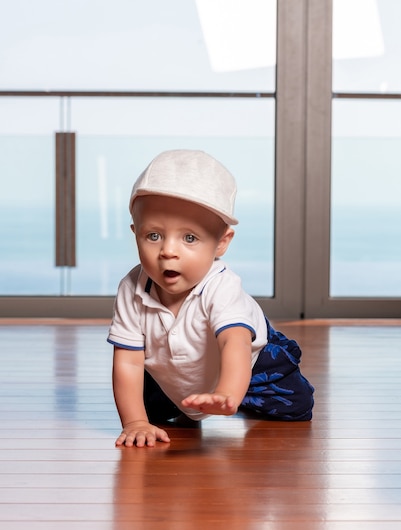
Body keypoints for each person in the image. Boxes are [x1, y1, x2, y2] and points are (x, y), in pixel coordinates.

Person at [107, 149, 314, 447]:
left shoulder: (221, 286)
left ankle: (236, 395)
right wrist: (135, 422)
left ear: (221, 243)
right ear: (135, 232)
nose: (168, 251)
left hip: (250, 362)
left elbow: (234, 343)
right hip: (173, 371)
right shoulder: (131, 289)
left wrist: (228, 393)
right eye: (153, 236)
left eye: (189, 238)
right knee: (148, 410)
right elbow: (128, 362)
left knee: (297, 404)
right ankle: (189, 401)